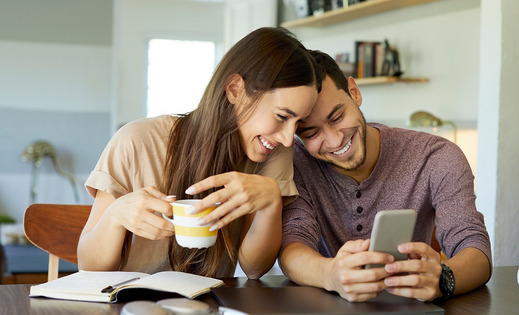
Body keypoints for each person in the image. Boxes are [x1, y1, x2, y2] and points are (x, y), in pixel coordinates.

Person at [78, 27, 321, 279]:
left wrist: (270, 202)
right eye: (282, 116)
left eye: (298, 123)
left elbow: (254, 268)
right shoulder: (136, 141)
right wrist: (115, 217)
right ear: (236, 89)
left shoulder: (273, 151)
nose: (286, 137)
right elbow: (88, 266)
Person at [279, 50, 492, 302]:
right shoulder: (296, 165)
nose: (335, 140)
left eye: (337, 116)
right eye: (311, 133)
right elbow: (292, 245)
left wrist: (443, 278)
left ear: (354, 92)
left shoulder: (436, 157)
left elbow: (475, 248)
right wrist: (330, 274)